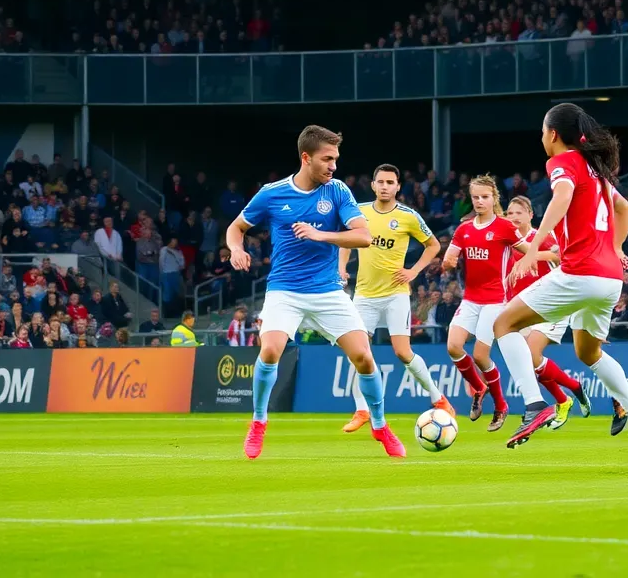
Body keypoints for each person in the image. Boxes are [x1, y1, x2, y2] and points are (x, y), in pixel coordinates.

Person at [226, 124, 403, 459]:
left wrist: (322, 236)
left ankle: (380, 425)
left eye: (336, 158)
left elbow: (363, 236)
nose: (334, 165)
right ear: (306, 158)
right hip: (285, 290)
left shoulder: (337, 191)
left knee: (364, 357)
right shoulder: (272, 193)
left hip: (327, 291)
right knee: (270, 350)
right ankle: (258, 422)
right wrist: (236, 248)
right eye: (327, 159)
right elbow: (237, 227)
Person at [496, 103, 628, 461]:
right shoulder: (597, 171)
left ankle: (534, 404)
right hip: (609, 279)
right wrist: (615, 247)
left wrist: (533, 246)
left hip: (580, 272)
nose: (542, 137)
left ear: (553, 134)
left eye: (542, 131)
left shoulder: (563, 162)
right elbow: (627, 210)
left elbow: (563, 195)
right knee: (588, 352)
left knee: (503, 323)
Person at [339, 163, 451, 432]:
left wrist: (413, 271)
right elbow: (346, 239)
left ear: (398, 186)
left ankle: (439, 398)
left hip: (395, 295)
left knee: (402, 351)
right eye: (381, 182)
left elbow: (434, 245)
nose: (385, 186)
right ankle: (361, 410)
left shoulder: (408, 216)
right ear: (374, 185)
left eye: (391, 182)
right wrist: (341, 268)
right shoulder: (361, 212)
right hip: (364, 294)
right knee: (359, 353)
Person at [441, 174, 530, 431]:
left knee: (481, 355)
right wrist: (448, 262)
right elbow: (450, 256)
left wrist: (548, 255)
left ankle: (501, 405)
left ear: (494, 199)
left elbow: (527, 250)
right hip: (470, 299)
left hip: (495, 300)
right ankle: (479, 388)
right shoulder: (464, 229)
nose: (480, 201)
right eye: (475, 197)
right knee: (454, 346)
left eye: (484, 197)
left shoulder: (504, 227)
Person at [505, 194, 591, 429]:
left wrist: (529, 255)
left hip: (551, 306)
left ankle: (570, 391)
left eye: (518, 212)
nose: (513, 217)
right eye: (509, 213)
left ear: (530, 215)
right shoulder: (508, 241)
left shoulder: (540, 237)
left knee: (531, 354)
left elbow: (561, 256)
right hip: (522, 307)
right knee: (528, 361)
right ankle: (566, 397)